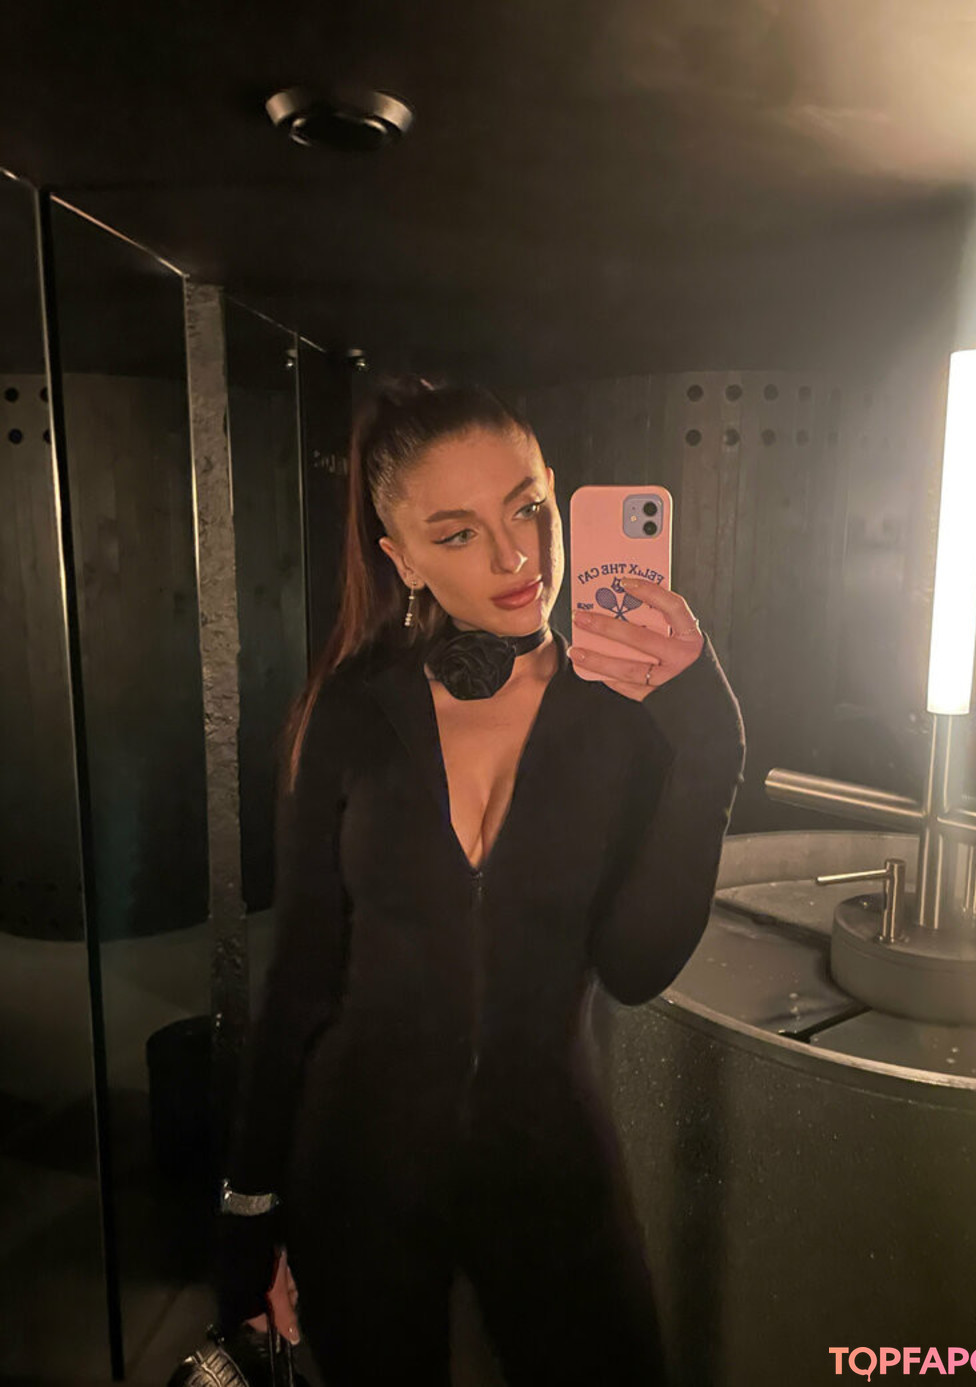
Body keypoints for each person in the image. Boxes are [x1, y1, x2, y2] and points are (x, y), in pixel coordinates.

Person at [214, 376, 746, 1386]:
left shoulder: (627, 717)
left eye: (528, 509)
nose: (514, 558)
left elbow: (635, 965)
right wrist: (248, 1209)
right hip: (358, 1157)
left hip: (548, 1152)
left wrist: (711, 740)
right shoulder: (353, 711)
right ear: (402, 557)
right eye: (456, 534)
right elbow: (301, 979)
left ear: (557, 493)